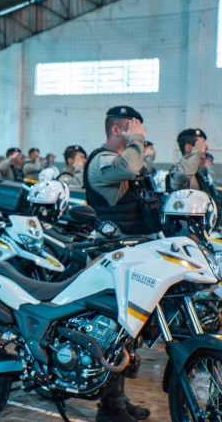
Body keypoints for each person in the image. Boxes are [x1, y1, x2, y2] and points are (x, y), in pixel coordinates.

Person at [83, 106, 153, 421]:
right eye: (132, 128)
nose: (139, 134)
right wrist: (137, 141)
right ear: (116, 130)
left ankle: (117, 402)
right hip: (108, 259)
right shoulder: (101, 161)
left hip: (127, 255)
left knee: (126, 334)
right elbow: (127, 168)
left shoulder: (121, 159)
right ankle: (110, 408)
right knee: (113, 333)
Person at [167, 129, 216, 197]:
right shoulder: (178, 171)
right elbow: (184, 174)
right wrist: (197, 152)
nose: (207, 148)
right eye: (201, 144)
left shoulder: (198, 172)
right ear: (188, 148)